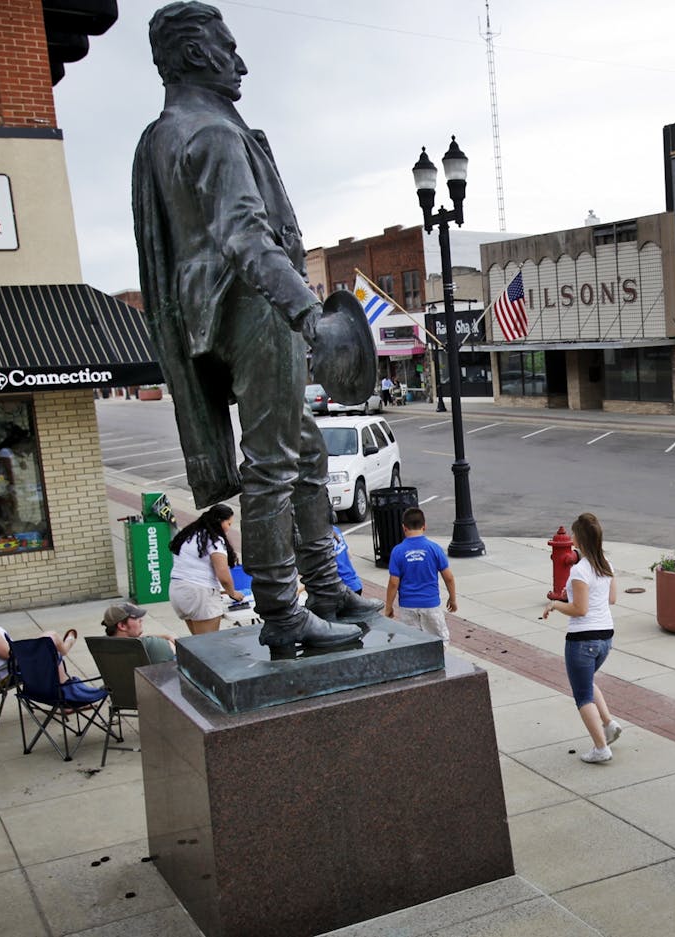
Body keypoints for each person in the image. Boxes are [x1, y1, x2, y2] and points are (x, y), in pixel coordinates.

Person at [132, 1, 380, 659]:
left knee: (307, 453)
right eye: (228, 47)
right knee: (273, 466)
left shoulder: (161, 135)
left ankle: (324, 588)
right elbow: (246, 234)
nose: (240, 61)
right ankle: (282, 612)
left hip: (207, 315)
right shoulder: (213, 134)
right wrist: (306, 312)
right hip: (253, 309)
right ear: (193, 54)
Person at [541, 513, 622, 764]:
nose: (572, 537)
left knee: (582, 695)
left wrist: (555, 605)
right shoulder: (605, 563)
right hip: (606, 637)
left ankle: (601, 748)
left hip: (582, 639)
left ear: (579, 540)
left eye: (574, 533)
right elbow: (611, 599)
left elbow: (580, 609)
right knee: (587, 682)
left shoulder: (579, 571)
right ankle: (608, 724)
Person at [168, 504, 244, 634]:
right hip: (199, 594)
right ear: (220, 521)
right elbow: (223, 575)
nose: (229, 529)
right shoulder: (214, 540)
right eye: (228, 524)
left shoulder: (189, 534)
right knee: (209, 646)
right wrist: (232, 593)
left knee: (197, 643)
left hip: (178, 591)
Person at [384, 507, 455, 643]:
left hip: (408, 606)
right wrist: (452, 599)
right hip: (430, 604)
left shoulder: (398, 551)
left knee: (411, 642)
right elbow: (449, 577)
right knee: (439, 640)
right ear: (424, 526)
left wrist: (389, 606)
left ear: (404, 528)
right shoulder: (434, 548)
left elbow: (394, 583)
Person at [101, 603, 177, 663]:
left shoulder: (102, 644)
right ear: (122, 626)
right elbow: (172, 649)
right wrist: (170, 642)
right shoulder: (152, 645)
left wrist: (165, 636)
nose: (141, 620)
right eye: (136, 617)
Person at [332, 526, 363, 596]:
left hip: (343, 588)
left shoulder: (321, 540)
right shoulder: (335, 529)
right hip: (355, 583)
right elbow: (349, 555)